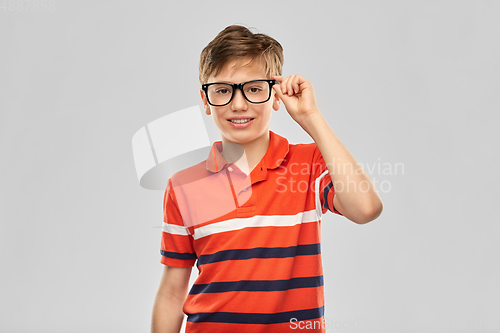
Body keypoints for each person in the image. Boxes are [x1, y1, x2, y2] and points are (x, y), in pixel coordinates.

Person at [151, 25, 383, 333]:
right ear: (206, 100)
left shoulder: (309, 163)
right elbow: (171, 292)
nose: (238, 104)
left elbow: (365, 208)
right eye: (222, 90)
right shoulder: (182, 187)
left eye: (254, 88)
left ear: (276, 95)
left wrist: (311, 118)